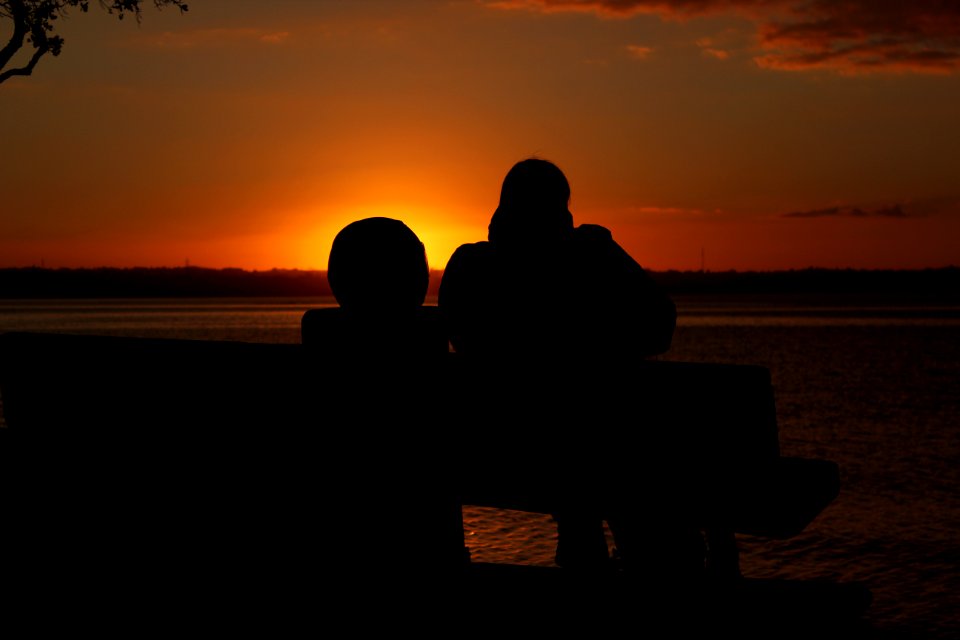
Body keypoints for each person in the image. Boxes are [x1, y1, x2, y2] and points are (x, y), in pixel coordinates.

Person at [438, 158, 704, 579]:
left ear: (502, 209)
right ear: (562, 209)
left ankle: (583, 544)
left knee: (578, 450)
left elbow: (463, 340)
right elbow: (659, 328)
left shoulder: (469, 266)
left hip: (504, 454)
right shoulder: (592, 255)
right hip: (601, 451)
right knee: (612, 447)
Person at [301, 216, 467, 589]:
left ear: (338, 277)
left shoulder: (322, 337)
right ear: (418, 277)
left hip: (339, 535)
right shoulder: (428, 340)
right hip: (427, 539)